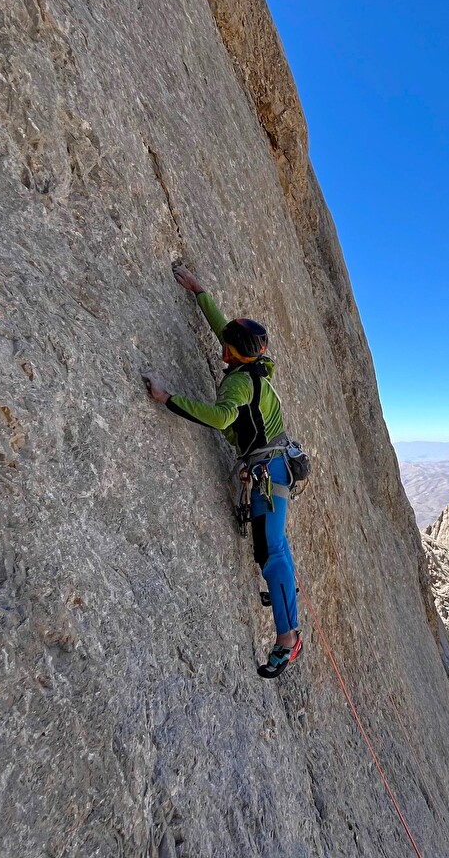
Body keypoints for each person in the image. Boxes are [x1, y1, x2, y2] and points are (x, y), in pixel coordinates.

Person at [143, 264, 303, 679]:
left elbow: (218, 419)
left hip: (269, 474)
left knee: (271, 553)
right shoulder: (254, 371)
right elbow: (226, 334)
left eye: (228, 348)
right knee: (275, 546)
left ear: (236, 355)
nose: (223, 350)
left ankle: (288, 638)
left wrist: (168, 399)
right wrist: (200, 293)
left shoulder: (236, 385)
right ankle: (286, 595)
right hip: (277, 466)